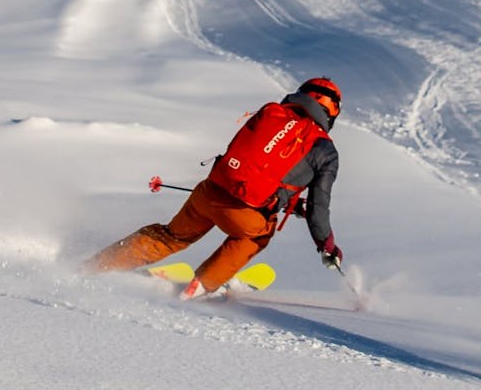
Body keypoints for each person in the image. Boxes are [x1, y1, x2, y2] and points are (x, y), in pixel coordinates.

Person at [81, 78, 344, 300]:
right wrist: (327, 246)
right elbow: (318, 208)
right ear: (331, 112)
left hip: (209, 192)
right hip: (245, 214)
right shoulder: (326, 150)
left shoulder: (273, 114)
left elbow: (259, 164)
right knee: (259, 236)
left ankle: (96, 266)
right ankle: (203, 285)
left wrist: (287, 200)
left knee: (171, 236)